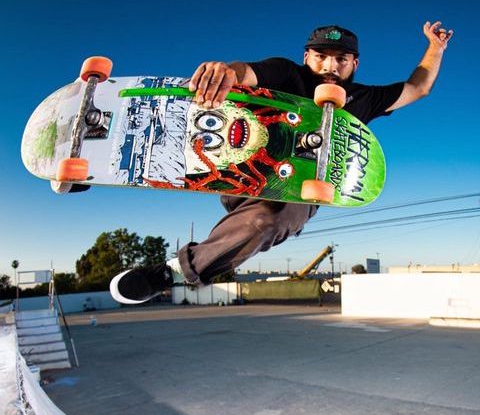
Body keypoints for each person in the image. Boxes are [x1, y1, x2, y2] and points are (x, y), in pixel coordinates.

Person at [110, 21, 453, 304]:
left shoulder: (363, 99)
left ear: (355, 64)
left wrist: (435, 48)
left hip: (293, 193)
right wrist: (226, 72)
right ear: (307, 56)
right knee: (244, 176)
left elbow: (417, 87)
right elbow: (247, 73)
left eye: (341, 60)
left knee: (268, 221)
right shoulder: (287, 74)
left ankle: (169, 272)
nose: (330, 67)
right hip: (243, 174)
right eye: (321, 57)